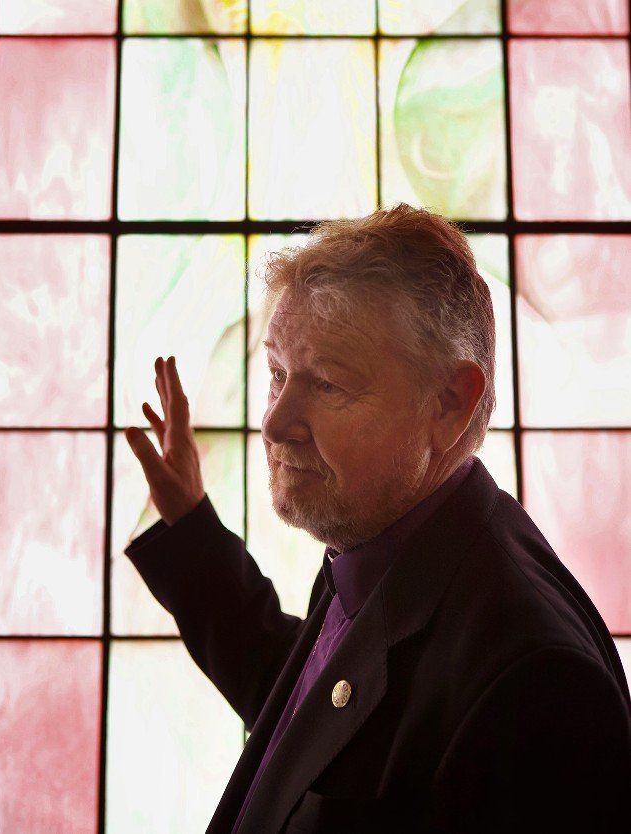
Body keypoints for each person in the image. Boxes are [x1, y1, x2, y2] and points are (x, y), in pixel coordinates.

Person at [123, 203, 631, 833]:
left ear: (448, 403)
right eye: (278, 373)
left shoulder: (537, 684)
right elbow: (318, 721)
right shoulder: (387, 543)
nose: (276, 422)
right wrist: (191, 524)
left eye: (328, 384)